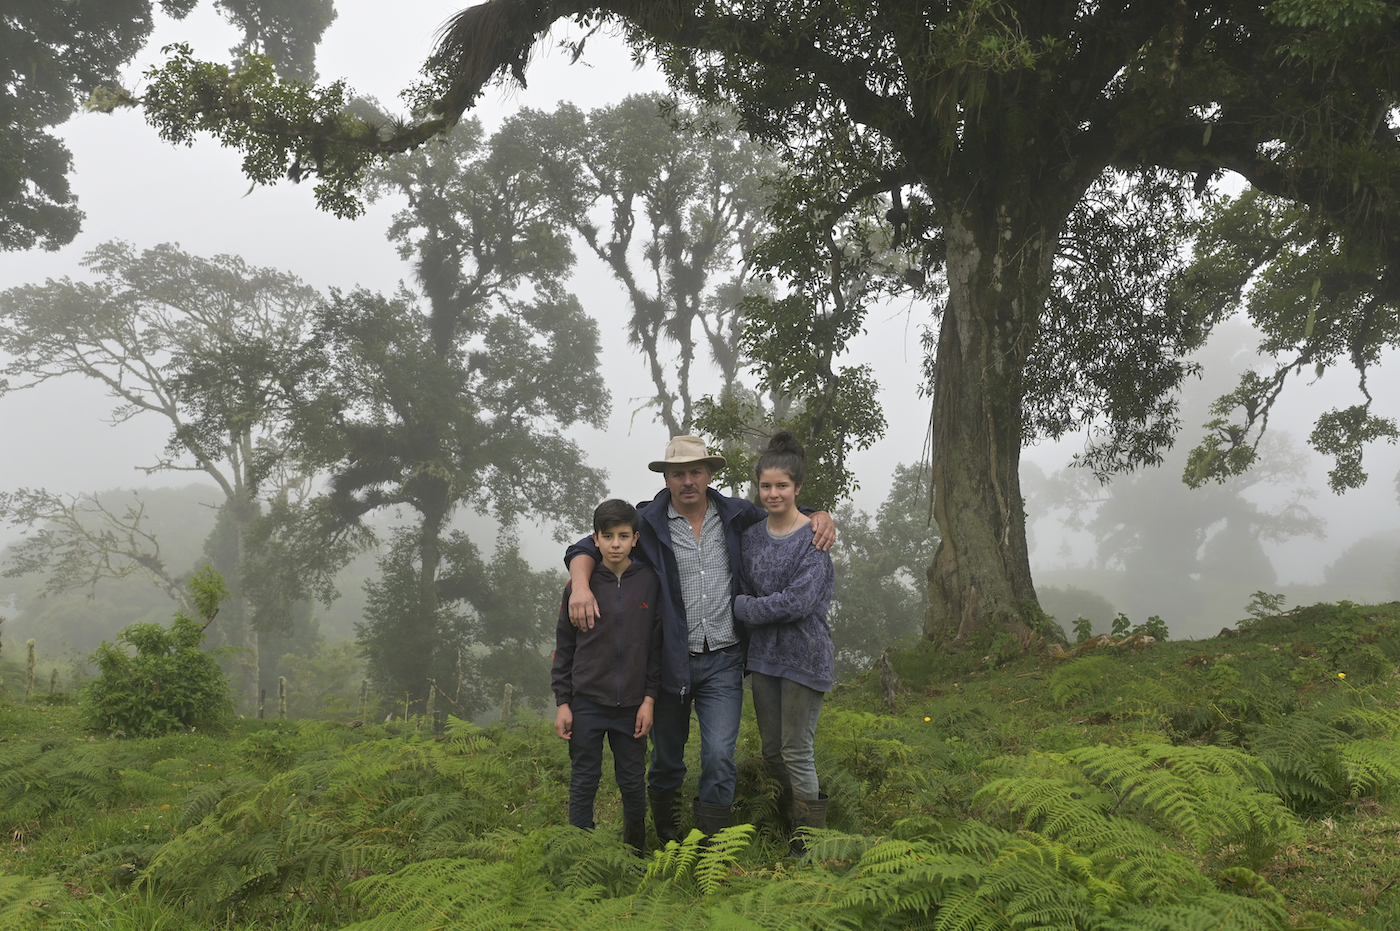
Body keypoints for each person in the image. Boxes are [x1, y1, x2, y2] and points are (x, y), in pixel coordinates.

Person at [565, 435, 835, 841]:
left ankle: (712, 843)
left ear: (710, 474)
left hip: (724, 658)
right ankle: (668, 836)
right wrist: (581, 585)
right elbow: (587, 544)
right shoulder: (646, 523)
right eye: (678, 474)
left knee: (719, 756)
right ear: (666, 479)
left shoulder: (735, 515)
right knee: (666, 758)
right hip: (670, 659)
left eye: (695, 472)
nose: (688, 481)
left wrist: (819, 514)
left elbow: (784, 512)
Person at [732, 431, 835, 854]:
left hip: (804, 656)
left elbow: (799, 602)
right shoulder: (751, 537)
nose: (773, 493)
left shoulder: (815, 537)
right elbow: (745, 586)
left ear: (798, 488)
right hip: (763, 658)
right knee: (773, 751)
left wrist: (745, 608)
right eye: (766, 486)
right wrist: (748, 604)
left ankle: (807, 844)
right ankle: (789, 821)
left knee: (796, 750)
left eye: (782, 486)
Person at [552, 499, 662, 854]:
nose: (616, 544)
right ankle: (581, 853)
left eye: (623, 536)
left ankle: (635, 855)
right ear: (595, 539)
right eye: (608, 536)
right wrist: (563, 702)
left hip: (632, 704)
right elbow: (564, 647)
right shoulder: (578, 587)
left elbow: (655, 648)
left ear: (635, 539)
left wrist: (648, 699)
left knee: (632, 782)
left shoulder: (649, 582)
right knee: (584, 779)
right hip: (586, 702)